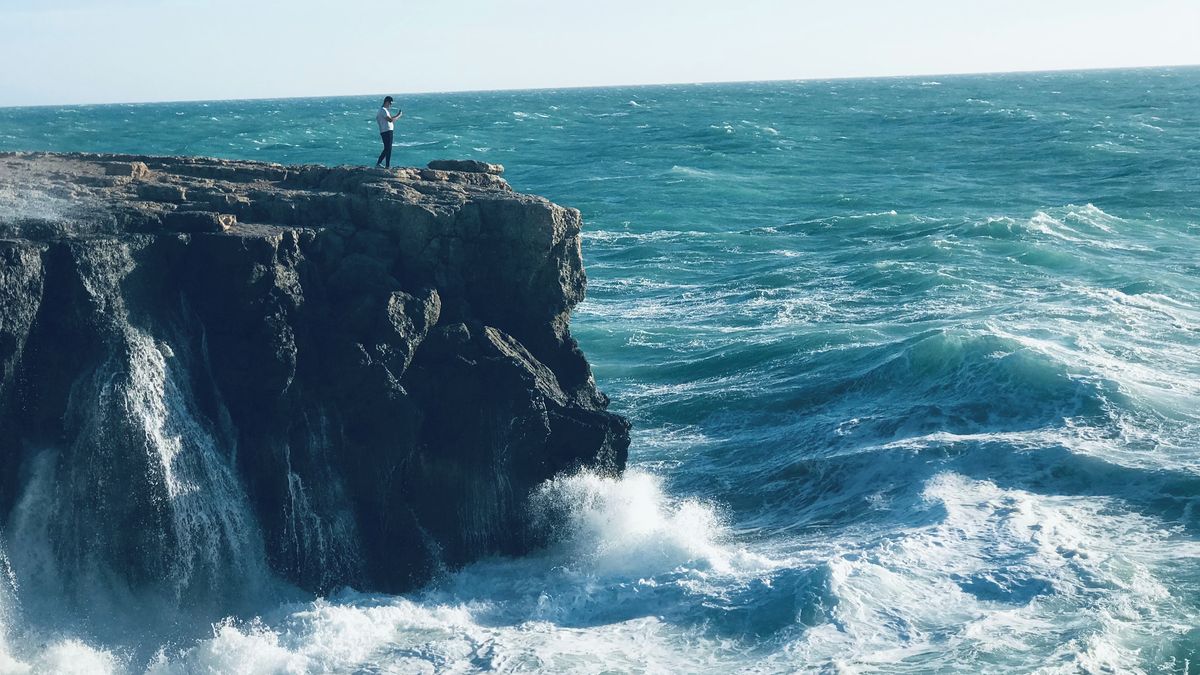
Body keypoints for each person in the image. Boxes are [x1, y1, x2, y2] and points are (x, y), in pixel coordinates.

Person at [375, 96, 403, 168]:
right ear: (387, 102)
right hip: (386, 131)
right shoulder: (383, 110)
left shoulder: (383, 110)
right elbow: (390, 120)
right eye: (390, 103)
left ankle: (381, 164)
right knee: (388, 148)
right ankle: (385, 165)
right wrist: (399, 116)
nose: (391, 105)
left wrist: (396, 115)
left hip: (385, 130)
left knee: (387, 148)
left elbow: (390, 119)